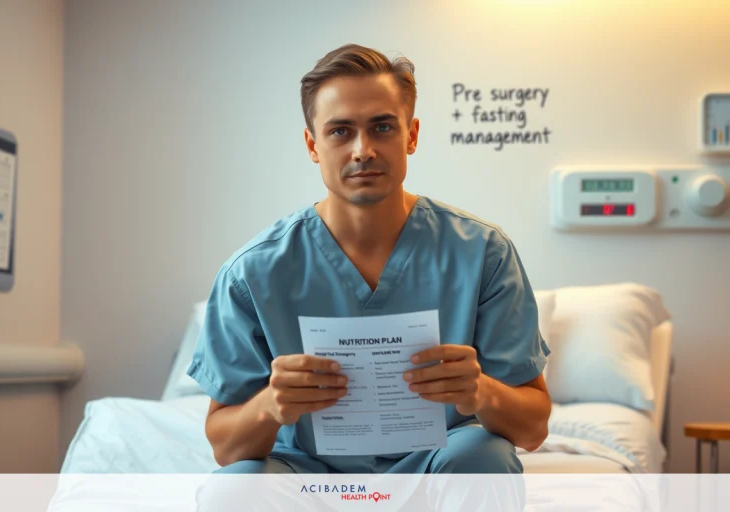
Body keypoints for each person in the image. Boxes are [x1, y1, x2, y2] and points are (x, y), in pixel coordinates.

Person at [187, 44, 551, 480]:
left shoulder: (483, 253)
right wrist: (270, 405)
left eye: (382, 127)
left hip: (439, 468)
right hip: (305, 477)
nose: (363, 150)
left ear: (411, 135)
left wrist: (481, 392)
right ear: (312, 145)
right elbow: (226, 448)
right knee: (236, 484)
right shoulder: (251, 274)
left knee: (484, 455)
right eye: (340, 131)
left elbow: (532, 429)